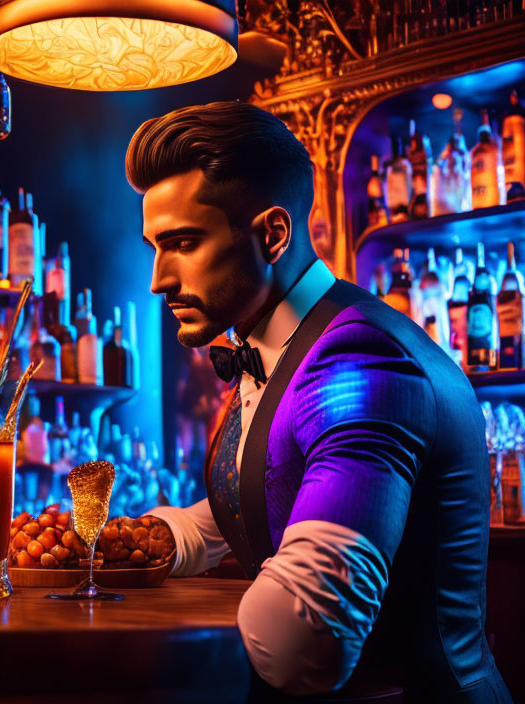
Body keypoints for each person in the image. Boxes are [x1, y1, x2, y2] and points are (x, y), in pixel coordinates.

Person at [124, 101, 511, 702]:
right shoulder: (284, 342)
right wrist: (150, 538)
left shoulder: (359, 359)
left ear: (272, 234)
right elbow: (276, 486)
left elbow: (305, 644)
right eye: (155, 246)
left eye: (183, 242)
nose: (158, 278)